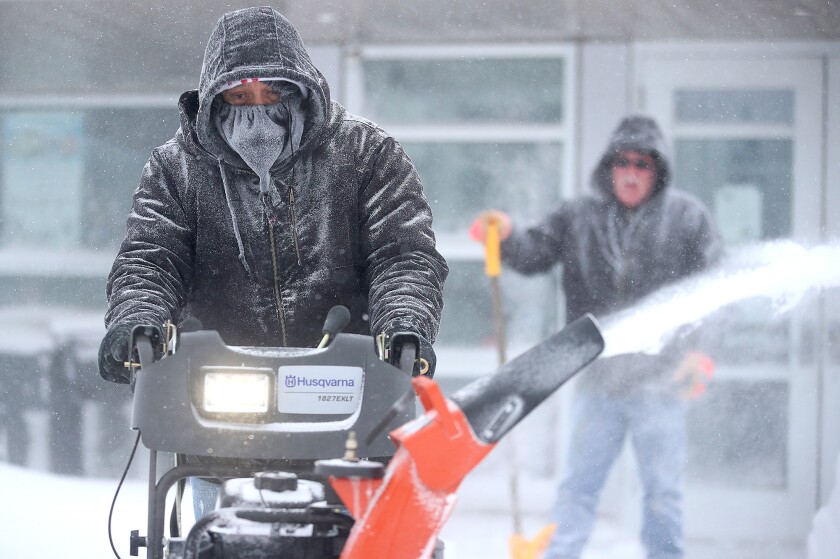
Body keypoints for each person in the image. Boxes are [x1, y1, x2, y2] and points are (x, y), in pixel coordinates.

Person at [98, 6, 447, 516]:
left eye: (272, 94)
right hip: (220, 399)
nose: (256, 109)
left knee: (351, 533)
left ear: (300, 91)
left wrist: (403, 323)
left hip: (346, 390)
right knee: (216, 529)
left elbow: (403, 254)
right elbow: (152, 256)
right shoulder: (178, 169)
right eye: (238, 97)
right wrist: (137, 318)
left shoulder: (366, 155)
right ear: (214, 102)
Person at [470, 115, 722, 559]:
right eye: (622, 162)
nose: (631, 172)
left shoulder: (687, 218)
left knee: (662, 494)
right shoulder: (578, 216)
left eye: (643, 164)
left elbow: (717, 289)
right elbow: (533, 253)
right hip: (598, 382)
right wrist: (506, 235)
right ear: (609, 168)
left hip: (660, 384)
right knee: (577, 490)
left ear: (657, 170)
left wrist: (700, 353)